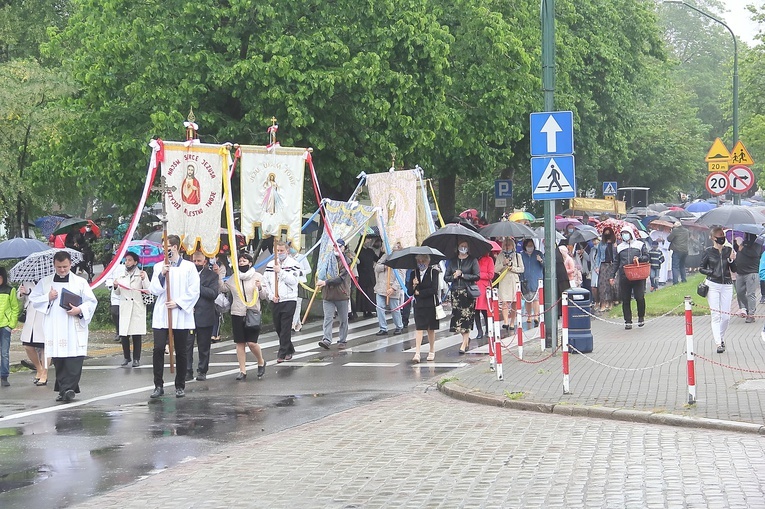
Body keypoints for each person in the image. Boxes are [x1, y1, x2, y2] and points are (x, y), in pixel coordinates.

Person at [29, 251, 98, 402]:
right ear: (54, 265)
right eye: (59, 267)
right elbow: (33, 299)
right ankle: (65, 390)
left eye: (65, 266)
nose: (62, 270)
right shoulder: (46, 282)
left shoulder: (80, 282)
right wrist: (47, 297)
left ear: (70, 264)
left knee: (74, 359)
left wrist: (79, 310)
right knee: (59, 359)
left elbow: (91, 301)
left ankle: (67, 389)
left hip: (72, 324)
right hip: (55, 325)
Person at [148, 235, 200, 399]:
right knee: (158, 349)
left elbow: (194, 291)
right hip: (163, 313)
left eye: (167, 247)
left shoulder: (189, 267)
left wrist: (178, 303)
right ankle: (158, 385)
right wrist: (162, 275)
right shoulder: (158, 267)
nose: (165, 250)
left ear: (176, 247)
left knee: (181, 350)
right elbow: (154, 289)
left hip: (180, 313)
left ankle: (180, 385)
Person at [224, 253, 266, 380]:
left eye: (244, 261)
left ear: (250, 263)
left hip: (252, 312)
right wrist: (217, 274)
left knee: (252, 343)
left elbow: (264, 296)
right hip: (237, 313)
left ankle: (261, 361)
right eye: (240, 261)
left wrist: (259, 288)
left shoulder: (257, 277)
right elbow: (223, 288)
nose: (241, 263)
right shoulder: (233, 278)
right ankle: (242, 371)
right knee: (240, 343)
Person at [262, 240, 302, 362]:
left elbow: (294, 281)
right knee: (278, 327)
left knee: (285, 326)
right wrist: (271, 295)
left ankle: (282, 353)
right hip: (276, 300)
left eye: (282, 251)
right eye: (278, 251)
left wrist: (281, 272)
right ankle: (289, 348)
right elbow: (266, 281)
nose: (280, 253)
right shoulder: (270, 265)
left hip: (289, 299)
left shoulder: (294, 264)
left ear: (287, 251)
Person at [700, 227, 736, 353]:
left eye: (723, 235)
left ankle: (720, 336)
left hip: (726, 284)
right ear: (713, 238)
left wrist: (731, 259)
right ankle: (718, 342)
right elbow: (701, 268)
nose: (722, 237)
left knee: (726, 317)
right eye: (719, 235)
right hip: (713, 284)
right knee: (716, 315)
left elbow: (734, 269)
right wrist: (711, 272)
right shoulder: (708, 251)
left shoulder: (729, 250)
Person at [186, 251, 221, 381]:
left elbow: (213, 294)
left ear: (205, 262)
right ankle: (187, 370)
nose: (196, 263)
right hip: (189, 314)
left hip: (205, 315)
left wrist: (197, 287)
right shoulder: (186, 274)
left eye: (199, 261)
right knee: (187, 345)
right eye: (194, 261)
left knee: (204, 345)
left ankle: (202, 370)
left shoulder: (212, 276)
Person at [113, 251, 149, 367]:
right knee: (124, 334)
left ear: (135, 262)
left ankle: (136, 359)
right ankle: (126, 357)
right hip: (125, 307)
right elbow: (118, 292)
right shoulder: (121, 275)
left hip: (137, 307)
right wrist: (115, 286)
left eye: (129, 260)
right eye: (126, 260)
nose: (127, 262)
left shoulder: (141, 274)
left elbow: (148, 289)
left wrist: (144, 279)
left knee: (136, 334)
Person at [444, 240, 480, 354]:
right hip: (455, 293)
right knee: (457, 320)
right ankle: (465, 339)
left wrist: (463, 275)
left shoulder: (472, 260)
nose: (463, 248)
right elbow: (446, 277)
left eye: (465, 246)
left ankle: (464, 344)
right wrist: (454, 276)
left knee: (467, 319)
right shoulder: (453, 261)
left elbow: (477, 276)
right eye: (461, 246)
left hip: (467, 293)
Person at [317, 239, 353, 349]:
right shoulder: (327, 259)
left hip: (341, 294)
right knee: (328, 318)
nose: (337, 248)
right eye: (335, 246)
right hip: (328, 295)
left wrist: (325, 282)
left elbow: (340, 278)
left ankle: (342, 339)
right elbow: (322, 271)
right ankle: (327, 339)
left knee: (343, 319)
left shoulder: (346, 261)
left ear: (344, 248)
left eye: (339, 246)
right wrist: (320, 279)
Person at [612, 229, 649, 330]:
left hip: (638, 275)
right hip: (624, 276)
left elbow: (646, 256)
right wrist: (612, 275)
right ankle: (628, 321)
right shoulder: (619, 248)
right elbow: (616, 262)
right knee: (625, 299)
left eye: (626, 234)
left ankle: (641, 317)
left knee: (639, 297)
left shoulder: (640, 245)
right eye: (623, 234)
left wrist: (640, 259)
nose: (625, 236)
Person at [406, 254, 440, 362]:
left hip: (430, 304)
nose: (421, 263)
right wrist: (414, 285)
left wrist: (419, 292)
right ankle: (417, 353)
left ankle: (431, 350)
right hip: (419, 305)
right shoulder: (413, 273)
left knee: (430, 329)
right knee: (419, 328)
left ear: (428, 262)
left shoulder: (433, 272)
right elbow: (409, 292)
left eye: (423, 261)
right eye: (419, 261)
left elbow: (434, 289)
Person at [18, 281, 48, 385]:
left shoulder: (49, 280)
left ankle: (44, 373)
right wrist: (21, 293)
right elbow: (19, 297)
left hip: (44, 315)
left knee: (45, 346)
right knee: (27, 346)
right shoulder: (26, 281)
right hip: (30, 316)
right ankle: (39, 368)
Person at [373, 243, 405, 336]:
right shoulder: (385, 257)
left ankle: (399, 326)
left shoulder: (401, 261)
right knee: (379, 307)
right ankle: (383, 327)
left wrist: (393, 288)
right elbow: (377, 267)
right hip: (381, 287)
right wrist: (385, 266)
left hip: (392, 288)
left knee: (395, 308)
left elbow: (401, 277)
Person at [494, 237, 524, 330]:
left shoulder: (517, 256)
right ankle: (506, 321)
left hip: (514, 280)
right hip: (504, 280)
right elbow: (495, 269)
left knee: (514, 302)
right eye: (506, 245)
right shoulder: (500, 256)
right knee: (504, 302)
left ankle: (512, 322)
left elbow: (522, 269)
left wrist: (512, 268)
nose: (507, 247)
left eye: (509, 245)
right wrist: (503, 263)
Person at [0, 268, 20, 387]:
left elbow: (15, 308)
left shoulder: (10, 290)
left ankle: (4, 375)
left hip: (5, 326)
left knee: (4, 353)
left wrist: (10, 325)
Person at [733, 233, 759, 323]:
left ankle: (751, 314)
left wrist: (742, 248)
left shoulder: (757, 244)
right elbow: (738, 250)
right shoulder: (743, 243)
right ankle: (748, 308)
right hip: (740, 272)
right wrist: (735, 242)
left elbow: (754, 254)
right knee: (739, 292)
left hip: (751, 272)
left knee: (750, 294)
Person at [473, 245, 496, 339]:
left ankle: (488, 329)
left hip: (484, 288)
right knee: (475, 311)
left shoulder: (489, 259)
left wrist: (478, 274)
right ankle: (479, 331)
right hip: (474, 287)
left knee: (485, 310)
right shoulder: (474, 260)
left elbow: (491, 275)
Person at [520, 239, 544, 327]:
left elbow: (545, 265)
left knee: (536, 299)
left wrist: (541, 260)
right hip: (525, 279)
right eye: (528, 245)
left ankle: (536, 316)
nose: (530, 247)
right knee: (528, 299)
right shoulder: (521, 255)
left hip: (536, 279)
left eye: (532, 245)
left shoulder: (538, 253)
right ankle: (529, 316)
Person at [593, 227, 618, 312]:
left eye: (609, 233)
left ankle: (610, 302)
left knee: (611, 285)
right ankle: (602, 303)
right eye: (605, 233)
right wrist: (597, 266)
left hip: (612, 265)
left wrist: (615, 247)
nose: (607, 235)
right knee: (602, 285)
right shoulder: (601, 244)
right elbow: (599, 256)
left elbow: (617, 256)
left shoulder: (615, 243)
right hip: (603, 264)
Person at [355, 237, 379, 318]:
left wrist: (382, 252)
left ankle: (370, 310)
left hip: (370, 275)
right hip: (362, 275)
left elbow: (377, 259)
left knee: (370, 293)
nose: (369, 241)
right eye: (367, 239)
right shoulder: (358, 251)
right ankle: (364, 310)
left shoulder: (370, 251)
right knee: (363, 294)